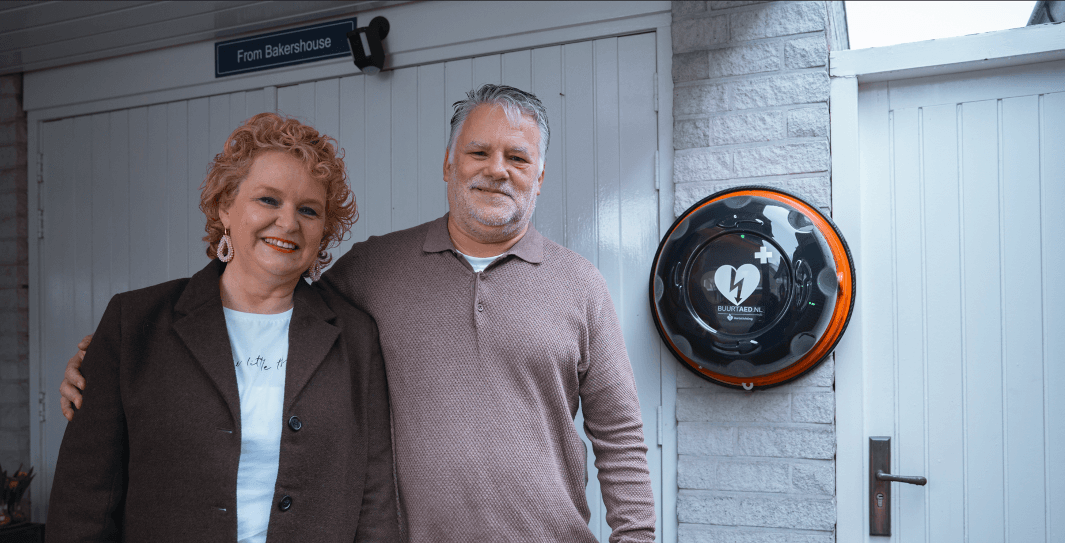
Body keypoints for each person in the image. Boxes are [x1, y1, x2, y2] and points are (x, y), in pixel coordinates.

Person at [62, 85, 655, 542]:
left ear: (540, 177)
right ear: (448, 164)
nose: (496, 169)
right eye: (478, 151)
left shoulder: (581, 286)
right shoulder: (375, 270)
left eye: (517, 158)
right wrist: (104, 364)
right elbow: (273, 286)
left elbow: (621, 436)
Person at [48, 113, 397, 542]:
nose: (289, 222)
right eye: (268, 200)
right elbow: (83, 499)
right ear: (225, 207)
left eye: (309, 210)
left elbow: (375, 501)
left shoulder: (356, 337)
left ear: (323, 232)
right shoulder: (134, 322)